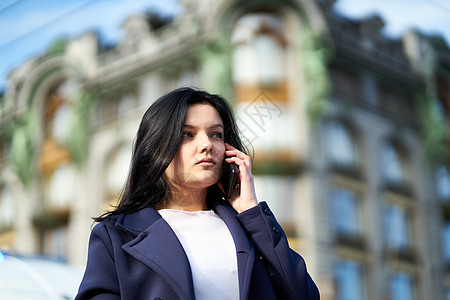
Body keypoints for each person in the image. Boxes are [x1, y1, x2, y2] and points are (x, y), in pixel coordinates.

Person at [75, 87, 320, 300]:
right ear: (155, 148)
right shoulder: (116, 235)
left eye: (216, 134)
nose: (207, 145)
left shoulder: (250, 228)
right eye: (187, 134)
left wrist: (251, 212)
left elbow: (303, 295)